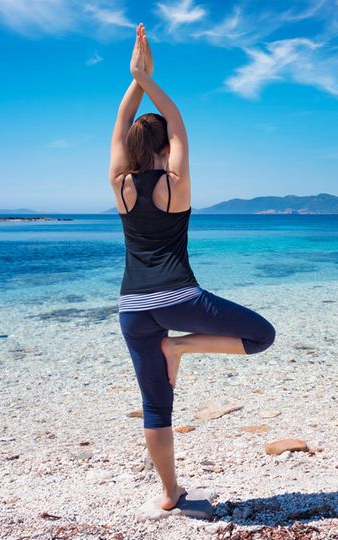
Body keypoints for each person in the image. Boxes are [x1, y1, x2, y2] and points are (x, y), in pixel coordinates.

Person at [108, 23, 276, 511]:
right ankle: (177, 348)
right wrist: (150, 81)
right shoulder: (175, 185)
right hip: (180, 299)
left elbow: (120, 131)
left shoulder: (118, 185)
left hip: (132, 309)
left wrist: (134, 79)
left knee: (157, 408)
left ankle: (168, 494)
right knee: (261, 336)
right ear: (163, 150)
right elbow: (177, 122)